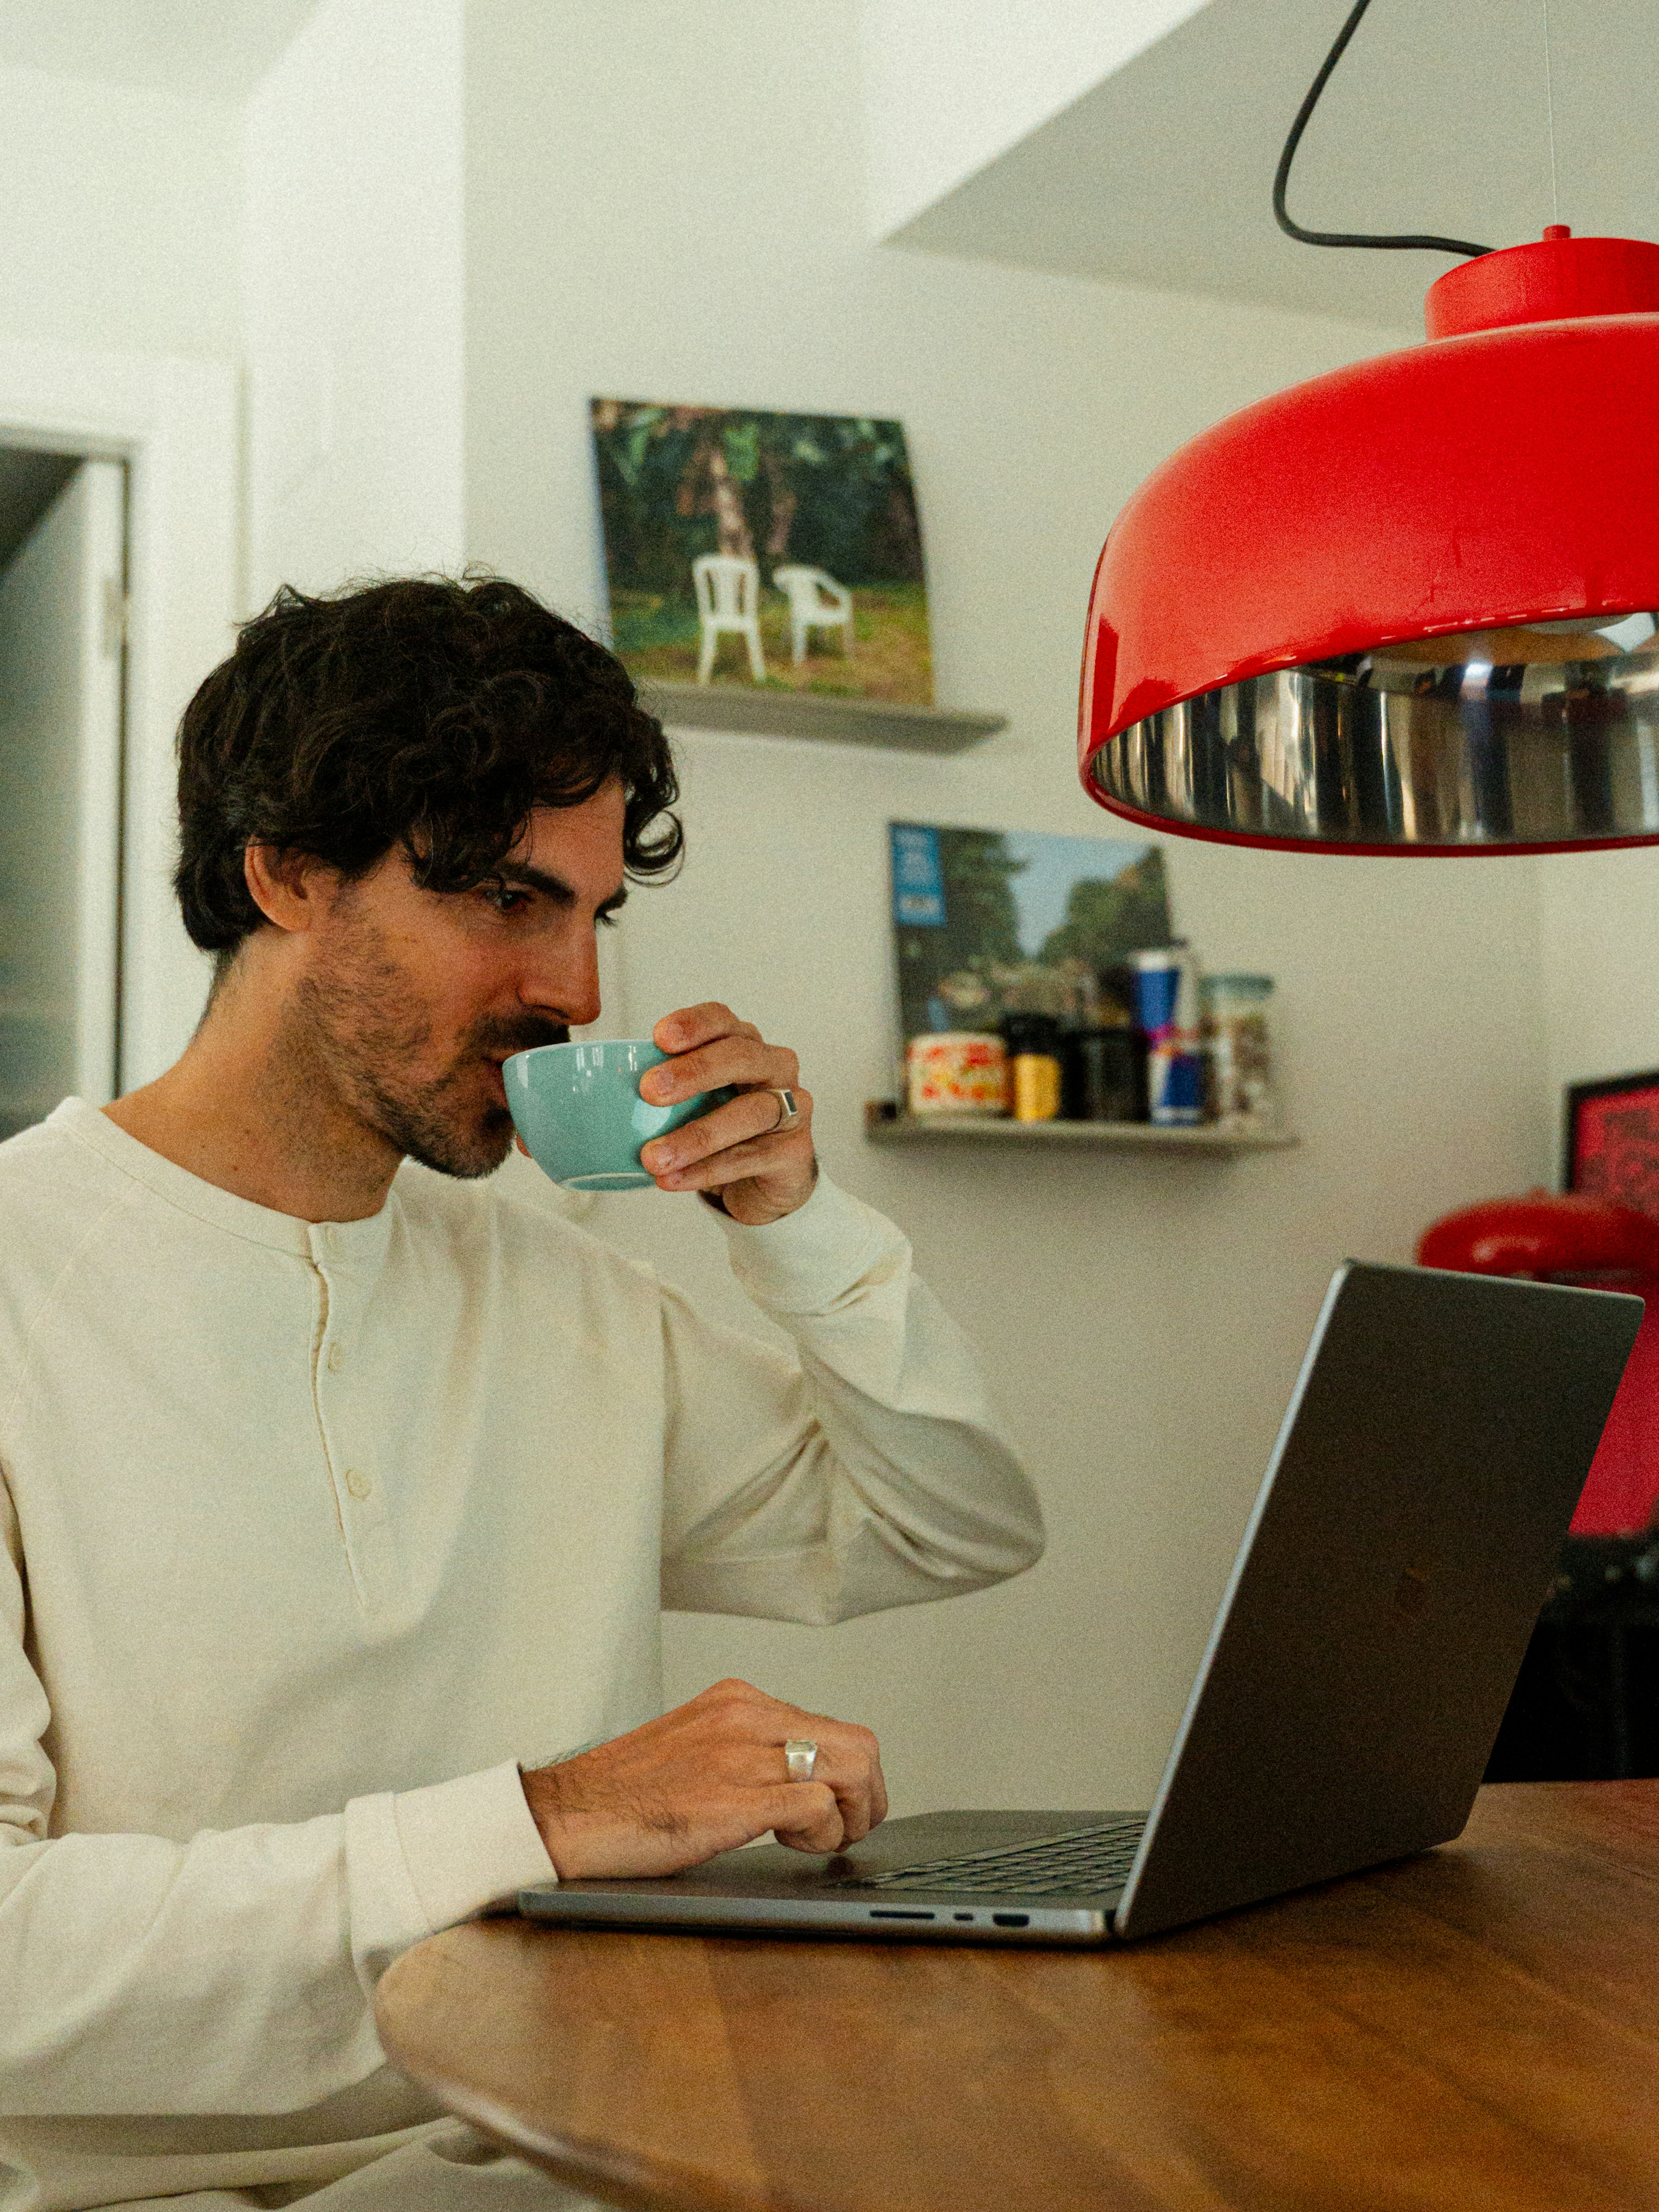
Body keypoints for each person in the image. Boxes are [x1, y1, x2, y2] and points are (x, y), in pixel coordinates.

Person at [0, 577, 1043, 2211]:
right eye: (506, 898)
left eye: (595, 915)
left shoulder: (566, 1299)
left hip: (588, 2147)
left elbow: (950, 1526)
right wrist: (550, 1819)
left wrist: (796, 1228)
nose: (578, 990)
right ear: (287, 872)